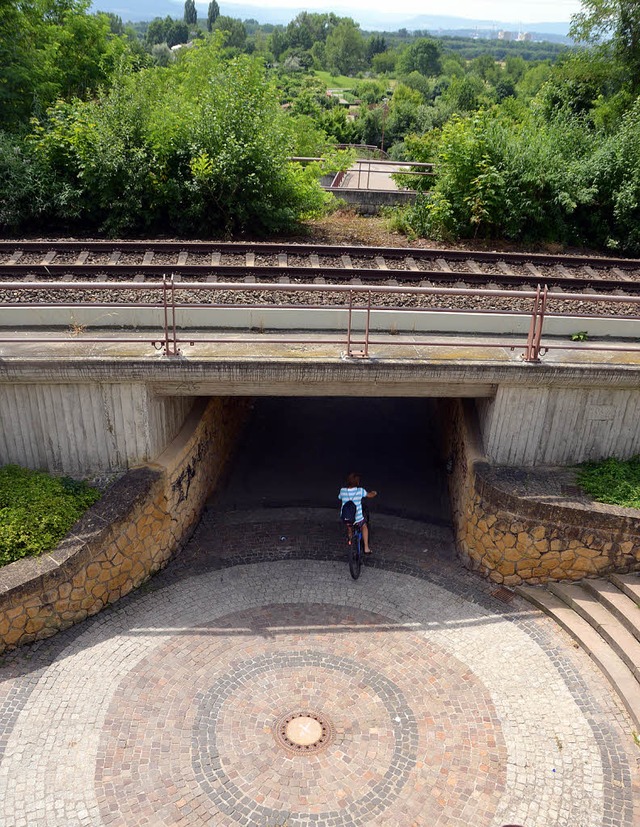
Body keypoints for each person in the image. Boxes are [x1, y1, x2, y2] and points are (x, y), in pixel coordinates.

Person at [338, 472, 377, 554]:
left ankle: (350, 537)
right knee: (364, 526)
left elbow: (339, 497)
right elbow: (370, 495)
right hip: (358, 518)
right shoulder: (360, 491)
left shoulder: (342, 491)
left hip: (345, 517)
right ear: (357, 482)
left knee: (349, 525)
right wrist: (374, 493)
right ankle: (366, 548)